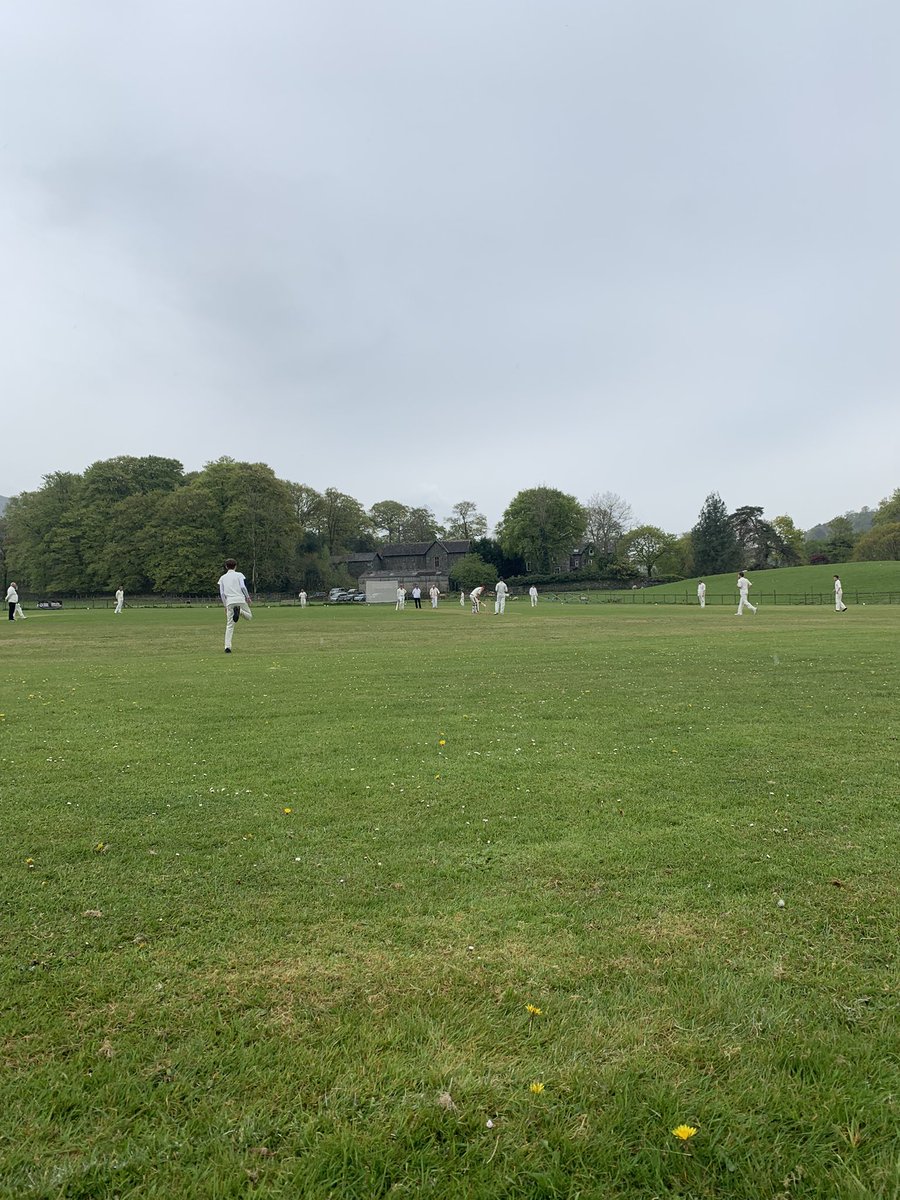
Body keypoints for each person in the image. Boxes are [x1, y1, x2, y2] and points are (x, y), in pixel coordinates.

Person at [218, 558, 252, 653]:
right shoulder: (239, 575)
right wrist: (248, 597)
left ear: (226, 567)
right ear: (235, 566)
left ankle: (227, 647)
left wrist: (225, 605)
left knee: (229, 625)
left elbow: (222, 593)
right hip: (240, 599)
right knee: (249, 617)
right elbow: (242, 586)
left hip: (230, 601)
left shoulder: (222, 578)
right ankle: (240, 611)